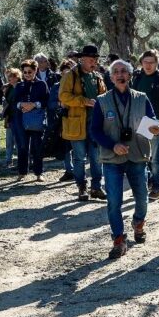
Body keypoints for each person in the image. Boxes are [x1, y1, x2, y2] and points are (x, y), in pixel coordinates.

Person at [91, 59, 159, 259]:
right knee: (114, 201)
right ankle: (119, 240)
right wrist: (113, 145)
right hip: (112, 158)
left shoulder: (142, 98)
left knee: (142, 198)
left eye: (124, 72)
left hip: (137, 155)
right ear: (111, 77)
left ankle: (138, 222)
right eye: (116, 72)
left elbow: (151, 122)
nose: (120, 75)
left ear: (130, 76)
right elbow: (94, 131)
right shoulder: (102, 101)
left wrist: (156, 128)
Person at [59, 44, 108, 201]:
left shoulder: (97, 76)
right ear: (82, 59)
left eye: (96, 58)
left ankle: (96, 187)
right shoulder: (70, 76)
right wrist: (84, 101)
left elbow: (104, 95)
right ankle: (82, 187)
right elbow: (63, 96)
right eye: (91, 59)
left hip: (95, 124)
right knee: (79, 158)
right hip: (76, 124)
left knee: (96, 157)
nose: (94, 61)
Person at [132, 50, 159, 200]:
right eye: (145, 62)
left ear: (157, 63)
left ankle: (157, 187)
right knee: (141, 156)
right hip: (137, 122)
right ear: (141, 63)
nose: (148, 65)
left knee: (155, 157)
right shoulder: (137, 77)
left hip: (155, 123)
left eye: (152, 62)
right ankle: (147, 183)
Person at [12, 59, 49, 181]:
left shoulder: (42, 84)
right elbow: (14, 102)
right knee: (22, 146)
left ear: (35, 70)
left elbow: (46, 101)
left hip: (37, 120)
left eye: (30, 71)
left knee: (37, 147)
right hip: (21, 119)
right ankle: (22, 172)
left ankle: (39, 173)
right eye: (25, 72)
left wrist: (34, 104)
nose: (27, 74)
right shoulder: (19, 85)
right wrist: (21, 105)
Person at [47, 60, 76, 182]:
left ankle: (78, 171)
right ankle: (69, 170)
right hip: (63, 120)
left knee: (78, 148)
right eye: (64, 73)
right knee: (66, 147)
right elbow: (51, 104)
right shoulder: (56, 86)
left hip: (79, 119)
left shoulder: (80, 85)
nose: (67, 76)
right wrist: (61, 103)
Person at [1, 68, 21, 168]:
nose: (9, 78)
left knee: (18, 141)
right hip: (10, 117)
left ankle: (21, 161)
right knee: (9, 141)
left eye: (11, 76)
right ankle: (8, 160)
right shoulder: (8, 88)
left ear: (17, 77)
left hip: (19, 117)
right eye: (8, 76)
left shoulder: (21, 87)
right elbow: (6, 103)